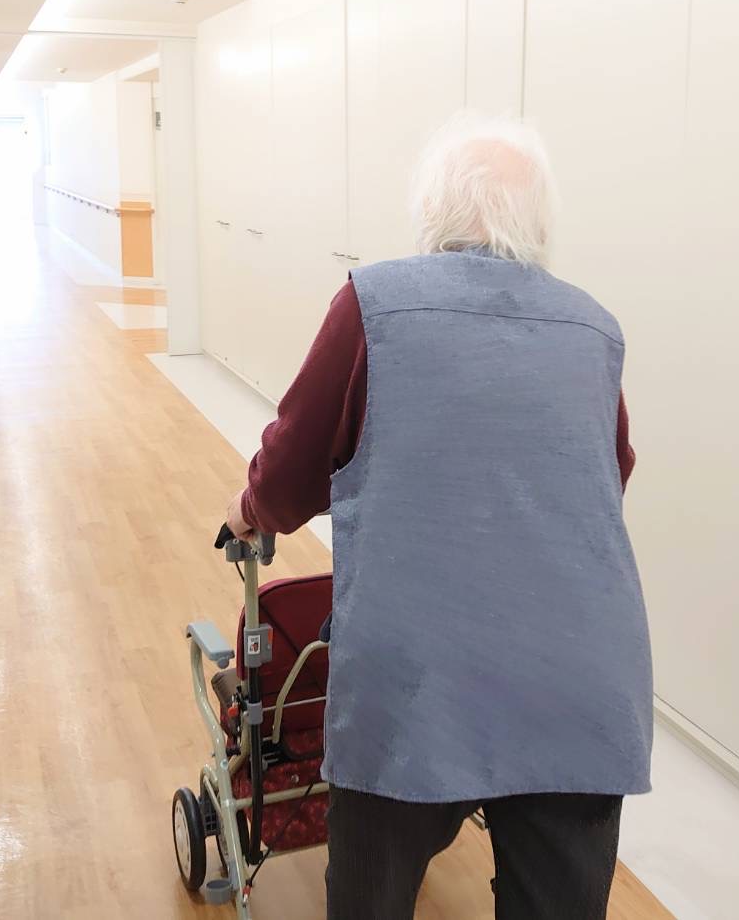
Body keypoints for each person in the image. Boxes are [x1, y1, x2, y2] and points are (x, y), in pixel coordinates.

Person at [224, 112, 653, 920]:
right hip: (580, 682)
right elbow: (609, 474)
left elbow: (290, 471)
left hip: (418, 685)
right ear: (539, 222)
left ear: (432, 211)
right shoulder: (594, 327)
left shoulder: (373, 304)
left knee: (373, 899)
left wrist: (250, 508)